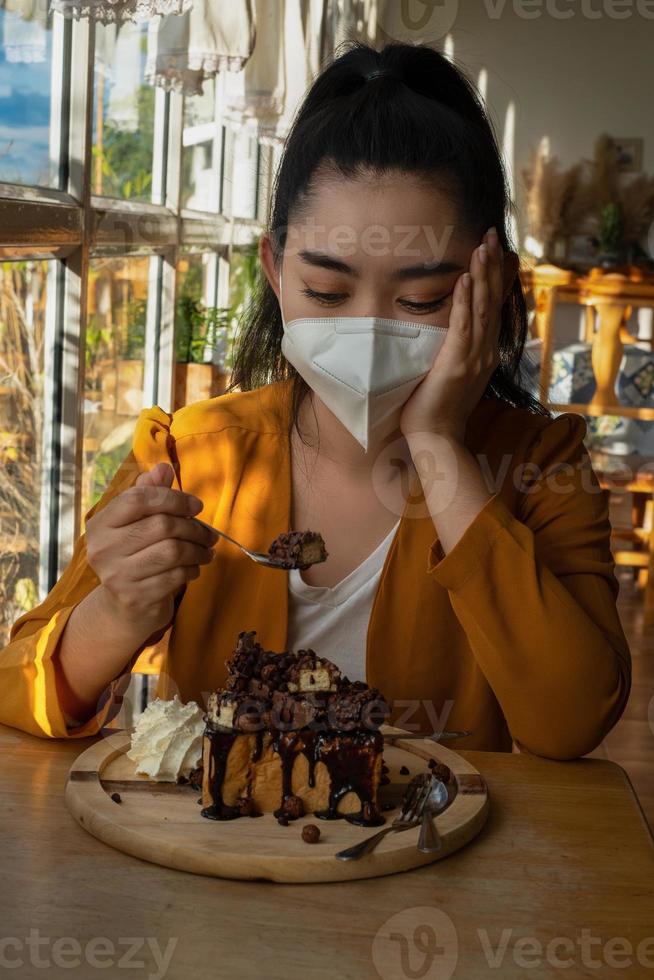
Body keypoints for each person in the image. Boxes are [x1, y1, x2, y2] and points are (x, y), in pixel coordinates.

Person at [0, 41, 631, 759]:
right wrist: (116, 609)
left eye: (421, 298)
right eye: (327, 293)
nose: (364, 333)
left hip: (437, 862)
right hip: (215, 856)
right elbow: (22, 686)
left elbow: (572, 719)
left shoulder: (540, 466)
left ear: (492, 287)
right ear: (274, 270)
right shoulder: (190, 455)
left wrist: (438, 445)